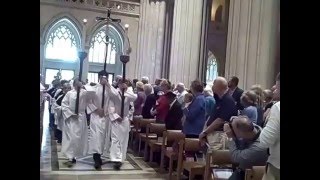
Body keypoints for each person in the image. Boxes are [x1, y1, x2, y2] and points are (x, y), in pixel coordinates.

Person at [86, 70, 116, 170]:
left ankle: (100, 154)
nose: (104, 79)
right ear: (99, 77)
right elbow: (88, 101)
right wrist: (96, 109)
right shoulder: (94, 88)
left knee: (103, 137)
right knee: (96, 136)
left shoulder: (110, 89)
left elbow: (115, 98)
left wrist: (107, 84)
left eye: (106, 78)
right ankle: (96, 157)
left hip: (105, 116)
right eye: (102, 77)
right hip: (96, 115)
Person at [61, 78, 94, 167]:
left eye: (80, 83)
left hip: (81, 117)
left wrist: (84, 86)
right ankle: (70, 157)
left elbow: (92, 93)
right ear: (74, 84)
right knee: (72, 137)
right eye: (77, 83)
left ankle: (75, 155)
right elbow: (64, 105)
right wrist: (71, 114)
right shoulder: (69, 93)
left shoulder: (84, 92)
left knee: (79, 138)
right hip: (71, 118)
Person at [200, 77, 237, 150]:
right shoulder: (218, 99)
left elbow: (220, 120)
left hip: (219, 136)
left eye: (214, 83)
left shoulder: (228, 100)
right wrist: (204, 131)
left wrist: (205, 133)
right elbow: (211, 116)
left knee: (214, 158)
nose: (212, 86)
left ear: (219, 86)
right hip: (212, 134)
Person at [108, 79, 137, 170]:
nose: (124, 85)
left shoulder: (129, 94)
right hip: (116, 119)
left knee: (123, 140)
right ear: (119, 84)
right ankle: (116, 159)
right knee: (115, 139)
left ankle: (120, 158)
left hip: (124, 119)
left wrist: (127, 116)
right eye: (122, 83)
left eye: (126, 84)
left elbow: (133, 103)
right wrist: (116, 116)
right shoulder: (115, 93)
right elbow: (111, 106)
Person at [260, 73, 280, 180]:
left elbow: (265, 141)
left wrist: (267, 121)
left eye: (277, 87)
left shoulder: (277, 108)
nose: (275, 91)